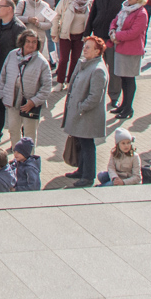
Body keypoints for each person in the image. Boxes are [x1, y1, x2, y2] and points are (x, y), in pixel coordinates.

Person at [61, 36, 109, 187]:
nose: (85, 49)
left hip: (87, 116)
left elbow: (95, 97)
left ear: (97, 51)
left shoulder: (98, 70)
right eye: (85, 46)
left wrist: (81, 107)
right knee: (82, 143)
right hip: (81, 114)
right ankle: (82, 170)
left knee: (87, 144)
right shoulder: (86, 63)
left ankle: (88, 176)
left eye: (89, 47)